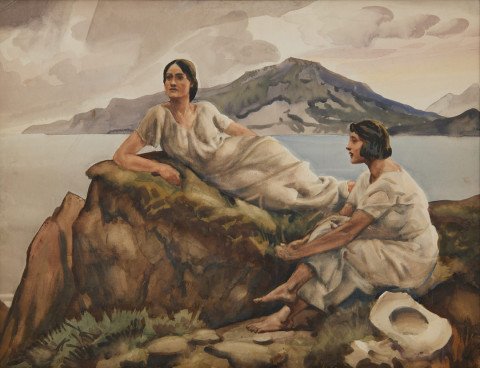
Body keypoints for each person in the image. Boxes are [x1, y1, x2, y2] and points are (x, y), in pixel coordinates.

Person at [247, 120, 439, 333]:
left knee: (343, 251)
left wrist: (299, 253)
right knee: (333, 237)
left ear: (371, 144)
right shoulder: (368, 177)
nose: (348, 146)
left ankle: (287, 304)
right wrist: (306, 239)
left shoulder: (388, 186)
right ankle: (288, 297)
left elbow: (348, 232)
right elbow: (340, 219)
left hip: (411, 255)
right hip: (389, 242)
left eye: (354, 141)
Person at [113, 59, 351, 211]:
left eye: (179, 77)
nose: (172, 82)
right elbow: (122, 156)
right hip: (219, 174)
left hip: (238, 152)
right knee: (282, 198)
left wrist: (256, 145)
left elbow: (238, 131)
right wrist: (161, 169)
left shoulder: (206, 108)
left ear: (191, 82)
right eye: (168, 77)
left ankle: (341, 190)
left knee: (295, 171)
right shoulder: (157, 115)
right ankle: (333, 199)